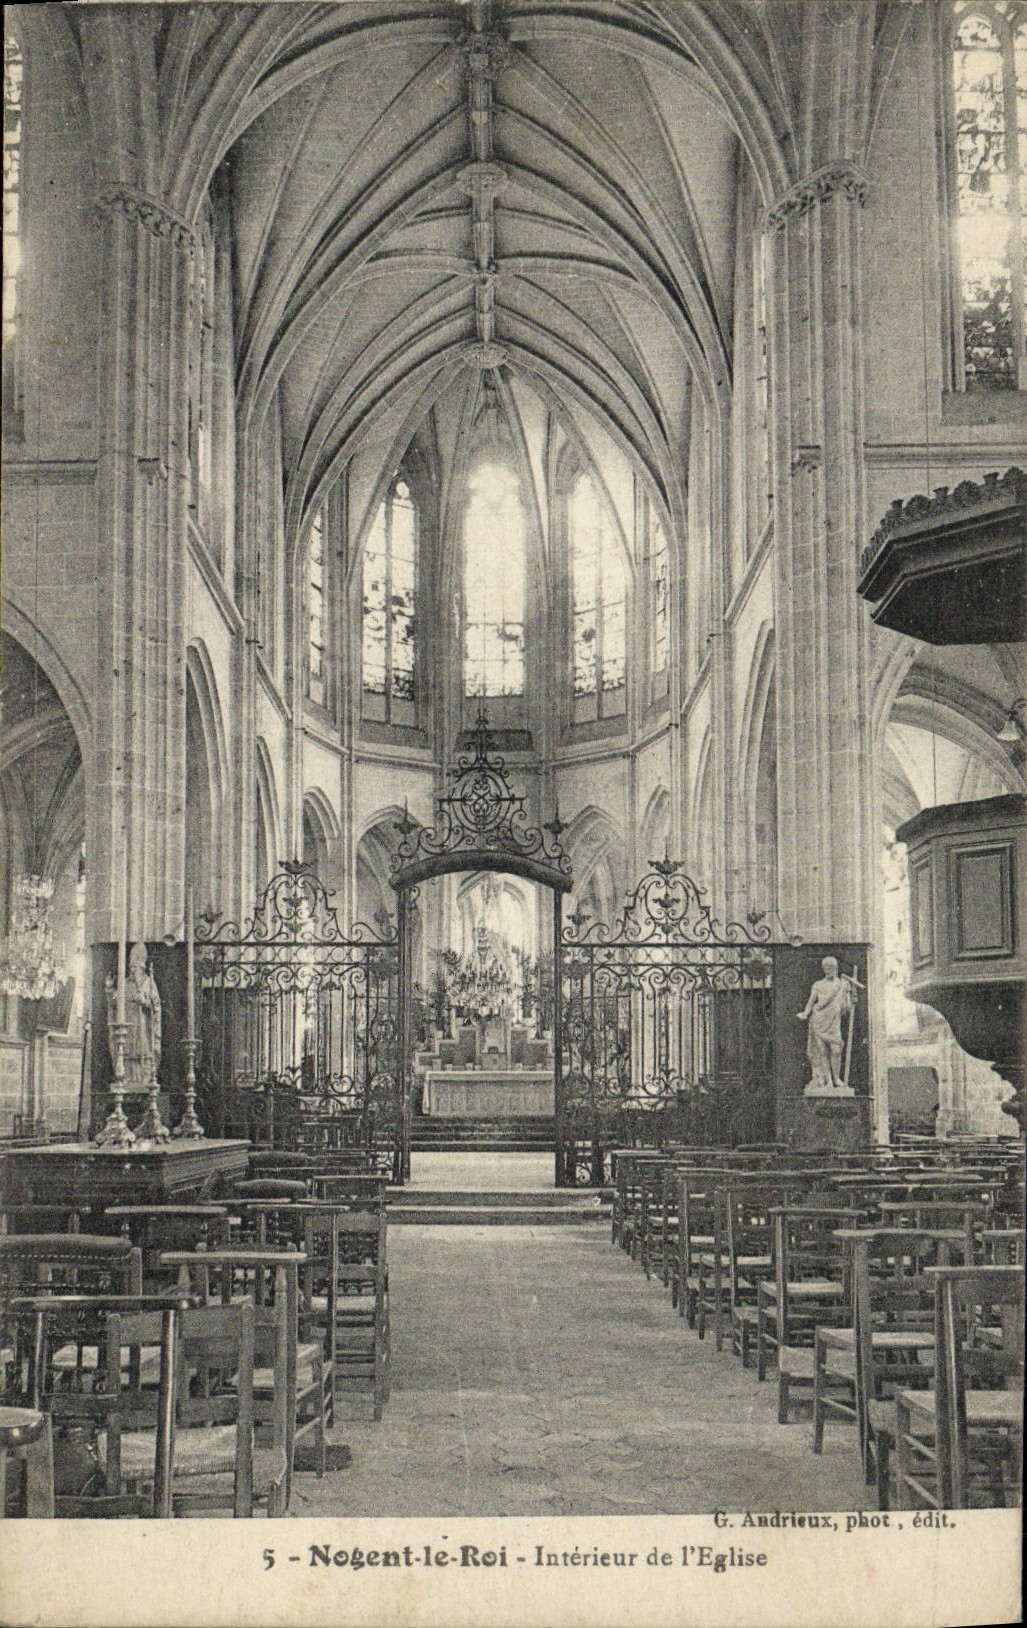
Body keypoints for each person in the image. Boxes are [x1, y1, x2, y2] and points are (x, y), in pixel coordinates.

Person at [106, 941, 162, 1089]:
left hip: (143, 1025)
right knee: (126, 1051)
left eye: (135, 967)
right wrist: (110, 990)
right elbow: (114, 1003)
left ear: (142, 967)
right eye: (131, 967)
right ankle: (126, 1078)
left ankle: (145, 1078)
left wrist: (144, 1001)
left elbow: (156, 1006)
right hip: (128, 1024)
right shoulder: (124, 983)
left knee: (143, 1051)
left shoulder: (149, 982)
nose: (133, 970)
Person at [797, 956, 854, 1089]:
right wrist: (805, 1013)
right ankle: (828, 1081)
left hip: (834, 1022)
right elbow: (811, 1002)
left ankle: (836, 1078)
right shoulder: (818, 985)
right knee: (822, 1051)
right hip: (819, 1020)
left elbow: (846, 1007)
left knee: (836, 1050)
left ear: (836, 968)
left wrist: (850, 998)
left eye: (830, 968)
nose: (827, 970)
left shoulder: (842, 984)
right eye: (825, 968)